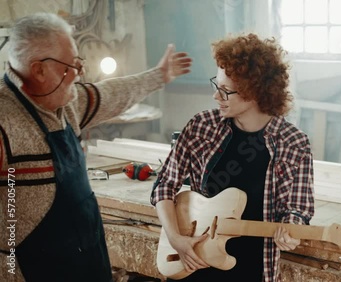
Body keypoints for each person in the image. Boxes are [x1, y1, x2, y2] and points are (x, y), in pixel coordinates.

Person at [0, 13, 191, 282]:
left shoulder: (65, 104)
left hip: (88, 265)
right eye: (71, 66)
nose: (78, 74)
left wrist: (158, 76)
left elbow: (111, 93)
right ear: (39, 70)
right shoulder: (4, 121)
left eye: (79, 63)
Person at [151, 33, 315, 282]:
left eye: (226, 91)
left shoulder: (294, 143)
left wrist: (290, 230)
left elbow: (297, 209)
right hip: (196, 263)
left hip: (253, 269)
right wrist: (176, 238)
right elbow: (164, 185)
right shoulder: (201, 126)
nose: (216, 96)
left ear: (255, 92)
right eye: (216, 85)